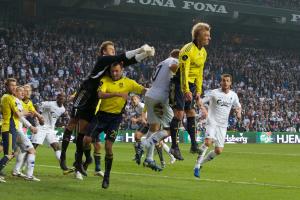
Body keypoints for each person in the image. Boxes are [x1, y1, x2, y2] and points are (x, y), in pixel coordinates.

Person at [59, 41, 154, 176]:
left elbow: (129, 61)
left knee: (83, 130)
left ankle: (79, 161)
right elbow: (122, 57)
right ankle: (63, 156)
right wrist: (140, 48)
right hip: (85, 92)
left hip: (95, 98)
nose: (113, 52)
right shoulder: (102, 60)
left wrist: (145, 54)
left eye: (114, 50)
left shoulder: (112, 66)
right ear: (104, 51)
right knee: (72, 122)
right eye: (111, 49)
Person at [83, 62, 147, 188]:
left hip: (115, 119)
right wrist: (117, 94)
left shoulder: (129, 82)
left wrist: (153, 91)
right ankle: (88, 159)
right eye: (112, 71)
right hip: (101, 116)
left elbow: (142, 89)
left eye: (117, 71)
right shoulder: (105, 80)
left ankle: (106, 176)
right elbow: (100, 94)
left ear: (121, 70)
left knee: (108, 147)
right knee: (86, 140)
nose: (114, 73)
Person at [169, 22, 211, 160]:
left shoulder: (203, 52)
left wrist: (198, 90)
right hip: (180, 83)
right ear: (198, 36)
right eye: (206, 35)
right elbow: (183, 71)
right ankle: (174, 147)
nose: (209, 38)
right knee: (179, 114)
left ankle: (193, 145)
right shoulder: (187, 49)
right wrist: (186, 89)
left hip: (191, 85)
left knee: (191, 112)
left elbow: (199, 72)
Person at [136, 49, 180, 170]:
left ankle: (149, 158)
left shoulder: (161, 63)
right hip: (160, 98)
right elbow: (174, 67)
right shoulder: (173, 60)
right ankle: (144, 144)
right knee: (172, 128)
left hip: (150, 95)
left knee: (153, 128)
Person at [193, 74, 242, 178]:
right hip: (212, 122)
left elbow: (238, 107)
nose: (225, 82)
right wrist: (198, 99)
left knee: (218, 150)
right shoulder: (214, 93)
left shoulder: (233, 95)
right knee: (208, 142)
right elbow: (201, 102)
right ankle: (197, 166)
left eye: (227, 81)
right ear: (221, 82)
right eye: (223, 80)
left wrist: (238, 113)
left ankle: (201, 163)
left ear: (230, 83)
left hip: (223, 125)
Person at [31, 93, 66, 167]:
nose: (61, 99)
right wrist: (38, 116)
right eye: (59, 98)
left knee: (57, 146)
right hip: (41, 126)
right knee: (33, 147)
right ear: (57, 98)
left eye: (62, 98)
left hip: (50, 129)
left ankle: (63, 167)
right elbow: (36, 105)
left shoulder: (63, 109)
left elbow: (55, 118)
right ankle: (23, 165)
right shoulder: (50, 104)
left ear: (64, 99)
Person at [12, 86, 39, 181]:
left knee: (18, 151)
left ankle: (16, 170)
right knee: (32, 151)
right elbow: (20, 116)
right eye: (21, 91)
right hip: (17, 129)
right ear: (15, 92)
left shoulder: (17, 101)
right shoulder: (16, 101)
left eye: (24, 92)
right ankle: (29, 175)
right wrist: (30, 126)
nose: (23, 93)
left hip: (15, 129)